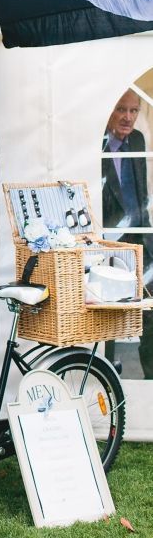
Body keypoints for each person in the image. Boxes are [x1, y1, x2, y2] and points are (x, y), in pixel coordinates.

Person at [102, 88, 153, 378]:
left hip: (141, 238)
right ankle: (107, 376)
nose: (128, 117)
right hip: (109, 244)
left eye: (133, 111)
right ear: (109, 110)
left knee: (151, 312)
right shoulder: (96, 143)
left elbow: (142, 191)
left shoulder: (138, 140)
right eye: (122, 109)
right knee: (108, 312)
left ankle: (151, 378)